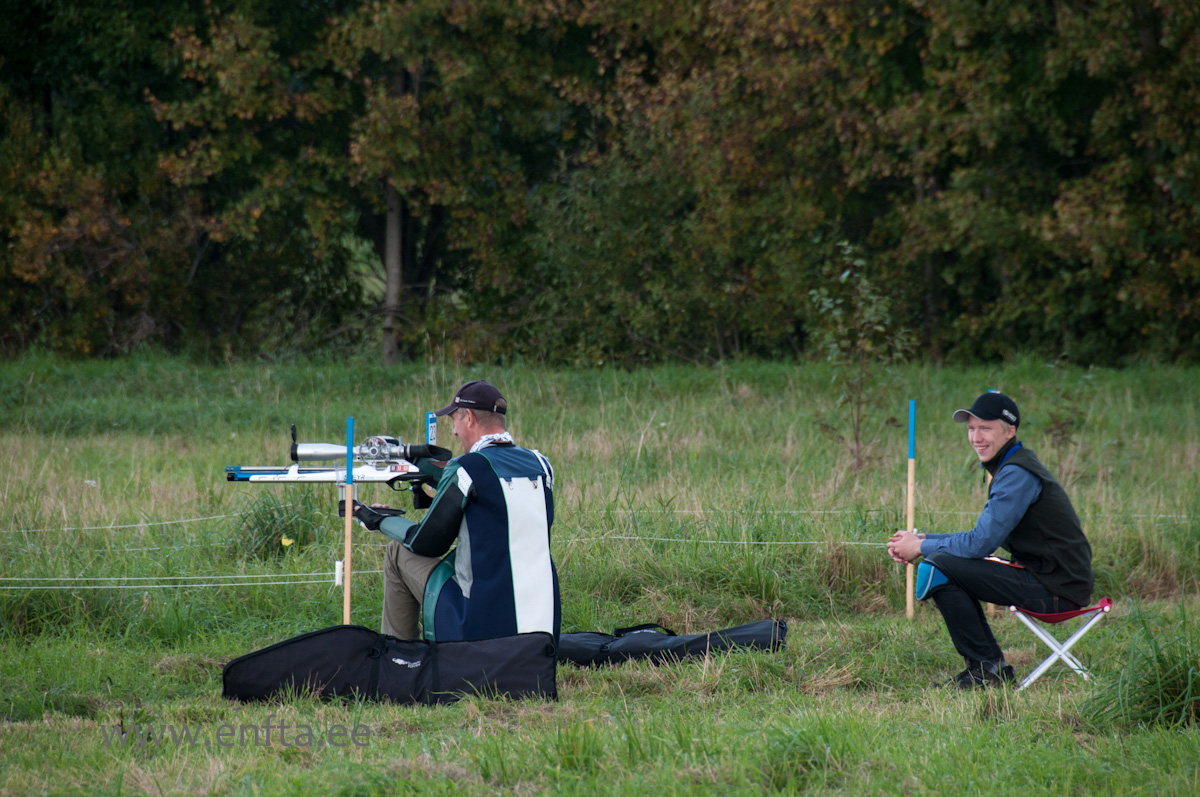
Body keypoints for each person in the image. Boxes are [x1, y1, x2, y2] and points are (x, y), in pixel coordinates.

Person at [886, 391, 1093, 688]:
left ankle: (986, 672)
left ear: (1010, 431)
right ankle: (988, 668)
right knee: (940, 561)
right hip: (1053, 581)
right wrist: (923, 539)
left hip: (1056, 590)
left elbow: (979, 544)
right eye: (971, 429)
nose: (976, 437)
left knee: (937, 567)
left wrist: (919, 547)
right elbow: (981, 539)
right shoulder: (1014, 466)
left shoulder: (1017, 473)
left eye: (985, 428)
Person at [350, 380, 560, 643]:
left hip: (477, 628)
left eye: (454, 421)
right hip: (542, 631)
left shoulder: (466, 468)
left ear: (469, 418)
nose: (454, 432)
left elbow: (426, 543)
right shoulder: (542, 464)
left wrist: (378, 520)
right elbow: (491, 495)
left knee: (397, 552)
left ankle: (401, 659)